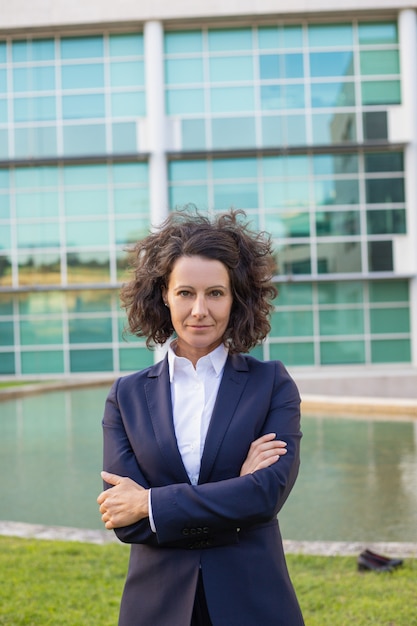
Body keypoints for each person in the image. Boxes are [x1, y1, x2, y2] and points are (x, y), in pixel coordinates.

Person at [97, 209, 305, 626]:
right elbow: (124, 521)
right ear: (164, 296)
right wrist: (235, 491)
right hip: (156, 607)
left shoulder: (272, 384)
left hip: (253, 602)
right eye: (186, 293)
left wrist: (151, 502)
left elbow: (265, 497)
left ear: (236, 298)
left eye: (215, 293)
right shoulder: (126, 396)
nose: (199, 310)